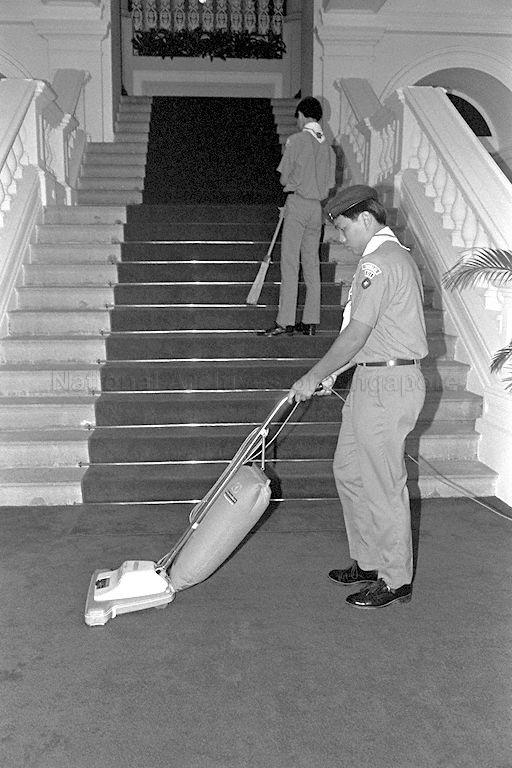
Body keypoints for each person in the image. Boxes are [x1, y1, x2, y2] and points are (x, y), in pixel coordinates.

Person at [287, 184, 428, 609]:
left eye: (344, 227)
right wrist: (339, 373)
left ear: (366, 219)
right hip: (372, 379)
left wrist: (315, 374)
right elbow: (372, 337)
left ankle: (394, 577)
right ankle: (368, 560)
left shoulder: (381, 263)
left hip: (389, 385)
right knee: (349, 470)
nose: (341, 237)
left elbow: (357, 333)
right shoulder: (383, 259)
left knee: (382, 483)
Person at [258, 97, 336, 337]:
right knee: (312, 265)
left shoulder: (296, 141)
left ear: (302, 115)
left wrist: (292, 183)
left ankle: (286, 321)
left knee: (291, 264)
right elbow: (331, 184)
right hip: (317, 209)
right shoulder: (329, 148)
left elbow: (283, 178)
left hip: (298, 204)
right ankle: (311, 321)